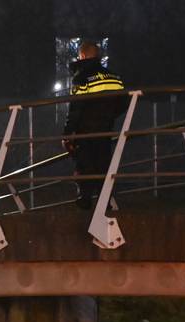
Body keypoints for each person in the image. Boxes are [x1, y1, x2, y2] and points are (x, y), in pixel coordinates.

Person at [62, 40, 129, 209]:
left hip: (85, 131)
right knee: (102, 165)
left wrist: (67, 133)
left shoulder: (81, 77)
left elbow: (75, 108)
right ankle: (104, 202)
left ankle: (84, 201)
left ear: (82, 55)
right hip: (105, 130)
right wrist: (108, 117)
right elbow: (123, 103)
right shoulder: (114, 76)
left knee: (84, 166)